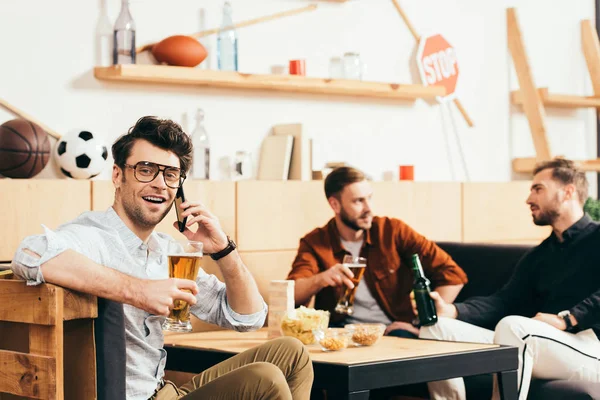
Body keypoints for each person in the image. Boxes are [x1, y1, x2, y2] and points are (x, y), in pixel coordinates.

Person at [11, 116, 313, 400]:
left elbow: (248, 319)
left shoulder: (168, 251)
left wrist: (223, 250)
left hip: (164, 389)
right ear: (117, 175)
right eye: (145, 170)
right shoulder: (95, 236)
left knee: (293, 353)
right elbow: (29, 254)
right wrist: (138, 291)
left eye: (170, 175)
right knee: (266, 378)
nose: (159, 184)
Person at [413, 158, 600, 400]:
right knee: (436, 328)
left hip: (590, 347)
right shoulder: (540, 255)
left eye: (538, 189)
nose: (529, 199)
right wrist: (453, 310)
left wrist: (569, 318)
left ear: (568, 192)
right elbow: (503, 301)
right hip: (547, 345)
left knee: (513, 327)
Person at [287, 166, 468, 338]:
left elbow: (453, 275)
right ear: (335, 204)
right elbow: (289, 294)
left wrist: (423, 326)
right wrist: (321, 279)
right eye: (359, 201)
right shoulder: (315, 242)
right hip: (341, 333)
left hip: (394, 331)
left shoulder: (392, 231)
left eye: (369, 198)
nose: (369, 209)